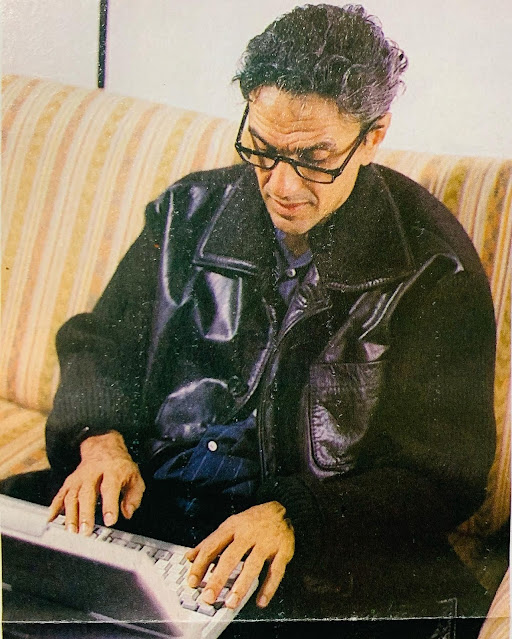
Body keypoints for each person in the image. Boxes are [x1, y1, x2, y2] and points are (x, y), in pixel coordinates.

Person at [2, 4, 496, 636]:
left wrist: (294, 516)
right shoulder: (188, 211)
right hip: (151, 500)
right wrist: (98, 437)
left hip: (305, 547)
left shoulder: (434, 265)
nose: (282, 186)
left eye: (315, 157)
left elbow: (443, 477)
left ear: (373, 136)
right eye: (262, 150)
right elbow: (99, 342)